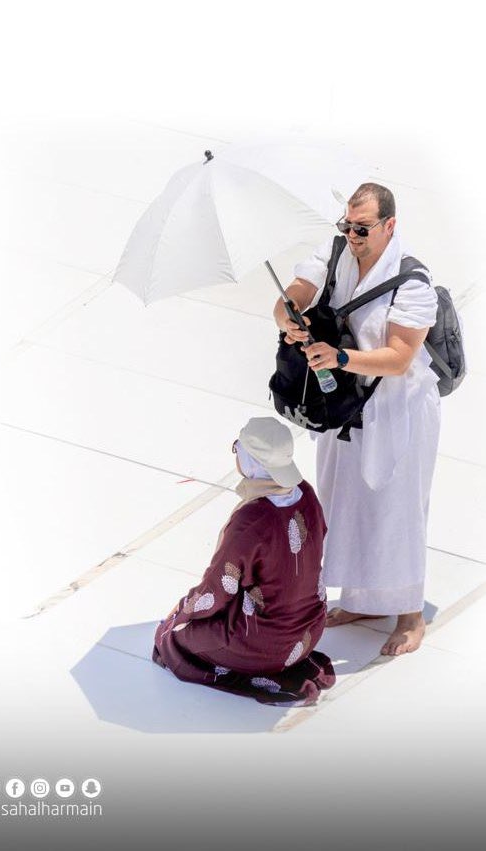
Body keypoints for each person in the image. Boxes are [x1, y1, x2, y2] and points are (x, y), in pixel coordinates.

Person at [273, 183, 440, 656]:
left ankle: (409, 615)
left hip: (398, 408)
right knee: (345, 499)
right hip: (346, 404)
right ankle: (364, 599)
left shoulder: (412, 283)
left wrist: (340, 358)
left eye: (362, 228)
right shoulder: (335, 252)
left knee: (398, 507)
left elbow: (399, 358)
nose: (352, 235)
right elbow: (299, 290)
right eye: (347, 225)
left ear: (389, 225)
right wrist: (287, 314)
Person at [153, 416, 335, 706]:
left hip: (263, 644)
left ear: (251, 461)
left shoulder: (251, 521)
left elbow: (215, 591)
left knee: (171, 638)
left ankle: (255, 666)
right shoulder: (307, 495)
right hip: (309, 631)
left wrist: (183, 610)